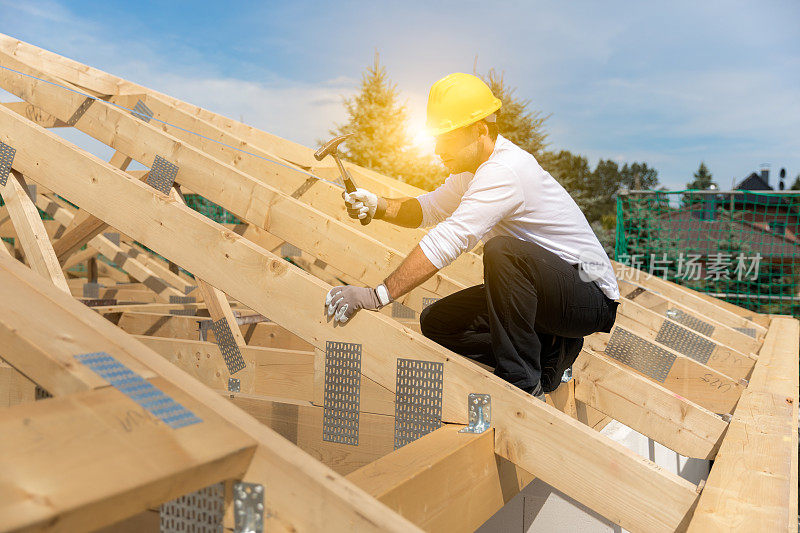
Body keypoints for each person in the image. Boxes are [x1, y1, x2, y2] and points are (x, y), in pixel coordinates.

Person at [324, 72, 620, 398]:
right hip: (551, 291)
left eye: (446, 138)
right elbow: (429, 208)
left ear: (480, 130)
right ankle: (549, 356)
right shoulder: (471, 172)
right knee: (438, 322)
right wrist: (378, 205)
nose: (437, 149)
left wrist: (377, 296)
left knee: (503, 252)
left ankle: (522, 386)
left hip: (590, 295)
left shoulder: (504, 170)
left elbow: (450, 237)